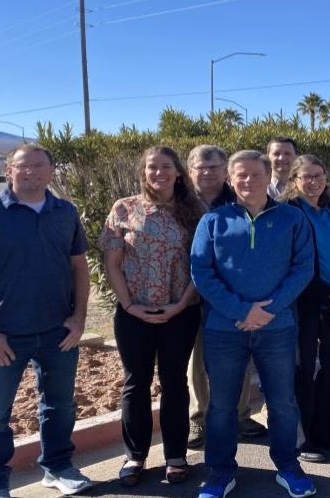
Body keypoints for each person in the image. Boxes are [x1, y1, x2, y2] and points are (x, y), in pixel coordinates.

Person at [0, 144, 93, 498]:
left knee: (60, 405)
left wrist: (78, 319)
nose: (31, 171)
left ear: (50, 171)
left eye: (39, 165)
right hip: (3, 336)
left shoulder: (65, 212)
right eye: (22, 165)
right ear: (8, 169)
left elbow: (79, 268)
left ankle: (58, 466)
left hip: (58, 332)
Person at [191, 150, 317, 498]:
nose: (248, 181)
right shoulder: (213, 221)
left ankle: (288, 466)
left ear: (268, 176)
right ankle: (220, 472)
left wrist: (270, 309)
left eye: (255, 174)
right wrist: (241, 311)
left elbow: (303, 267)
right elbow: (202, 272)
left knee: (282, 403)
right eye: (240, 175)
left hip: (277, 328)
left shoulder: (292, 218)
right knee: (221, 406)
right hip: (223, 329)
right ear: (230, 180)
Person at [98, 146, 204, 486]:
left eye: (165, 167)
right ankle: (135, 456)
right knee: (135, 384)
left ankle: (176, 455)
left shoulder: (195, 211)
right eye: (151, 167)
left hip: (180, 311)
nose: (158, 173)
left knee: (174, 383)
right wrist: (129, 305)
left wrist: (179, 305)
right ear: (143, 172)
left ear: (177, 173)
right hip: (133, 313)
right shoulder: (124, 209)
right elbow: (112, 263)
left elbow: (200, 267)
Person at [280, 154, 330, 464]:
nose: (313, 181)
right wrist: (329, 295)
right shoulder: (288, 212)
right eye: (306, 177)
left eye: (318, 175)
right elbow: (293, 262)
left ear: (326, 177)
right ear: (295, 180)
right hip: (303, 304)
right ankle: (306, 439)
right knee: (302, 371)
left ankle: (329, 431)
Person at [184, 145, 267, 450]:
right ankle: (198, 419)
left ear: (225, 170)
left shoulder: (241, 200)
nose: (207, 173)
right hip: (189, 295)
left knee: (238, 357)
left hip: (234, 296)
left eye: (214, 167)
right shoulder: (179, 203)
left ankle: (241, 414)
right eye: (200, 167)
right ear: (190, 170)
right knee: (197, 361)